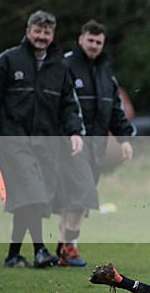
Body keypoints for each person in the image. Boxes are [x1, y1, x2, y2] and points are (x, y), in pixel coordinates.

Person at [0, 10, 84, 268]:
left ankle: (13, 255)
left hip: (46, 145)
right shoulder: (9, 60)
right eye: (37, 31)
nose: (41, 36)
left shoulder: (60, 69)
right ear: (28, 32)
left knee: (29, 199)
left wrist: (75, 132)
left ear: (52, 35)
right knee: (32, 193)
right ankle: (40, 250)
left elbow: (69, 105)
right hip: (14, 141)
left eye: (46, 32)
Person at [54, 20, 136, 266]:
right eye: (90, 40)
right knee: (84, 193)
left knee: (74, 199)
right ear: (81, 39)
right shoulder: (66, 66)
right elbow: (56, 105)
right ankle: (70, 247)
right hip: (70, 143)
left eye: (98, 42)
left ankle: (64, 248)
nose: (94, 45)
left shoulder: (105, 71)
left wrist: (124, 139)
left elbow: (114, 108)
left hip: (96, 145)